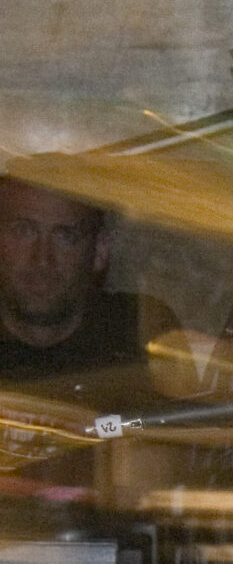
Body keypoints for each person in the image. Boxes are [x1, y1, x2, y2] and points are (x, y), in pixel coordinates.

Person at [0, 173, 175, 404]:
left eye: (65, 236)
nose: (42, 259)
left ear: (100, 250)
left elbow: (178, 421)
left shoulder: (140, 330)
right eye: (23, 231)